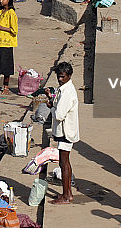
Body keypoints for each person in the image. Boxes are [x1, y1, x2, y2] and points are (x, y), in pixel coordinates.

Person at [48, 61, 79, 204]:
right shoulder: (64, 89)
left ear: (69, 76)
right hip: (65, 131)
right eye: (58, 77)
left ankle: (66, 196)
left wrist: (52, 108)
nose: (60, 79)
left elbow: (59, 114)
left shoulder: (67, 91)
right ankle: (67, 193)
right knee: (64, 162)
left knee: (64, 163)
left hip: (66, 132)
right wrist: (52, 101)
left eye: (62, 76)